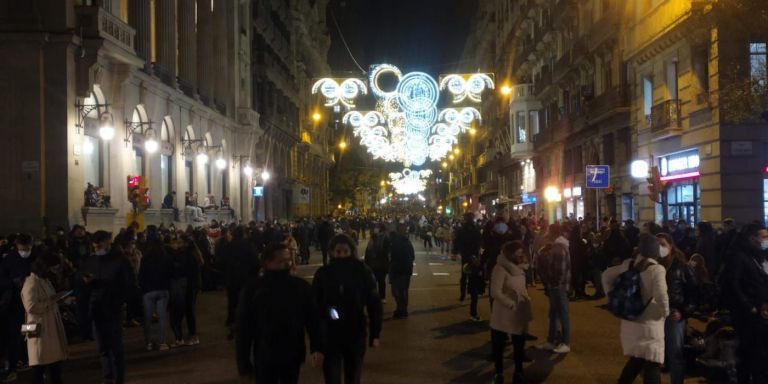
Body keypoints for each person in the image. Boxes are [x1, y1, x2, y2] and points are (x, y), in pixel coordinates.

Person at [236, 243, 323, 383]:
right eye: (281, 261)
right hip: (265, 354)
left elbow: (313, 319)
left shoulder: (300, 287)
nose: (287, 264)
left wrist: (317, 347)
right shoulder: (253, 290)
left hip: (293, 352)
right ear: (267, 262)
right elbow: (243, 328)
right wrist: (243, 362)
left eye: (288, 259)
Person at [312, 234, 382, 384]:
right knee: (332, 376)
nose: (342, 255)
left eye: (345, 251)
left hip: (355, 330)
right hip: (330, 333)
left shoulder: (362, 271)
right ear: (331, 252)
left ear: (352, 251)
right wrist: (316, 344)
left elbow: (374, 303)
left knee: (353, 375)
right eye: (338, 252)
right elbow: (315, 307)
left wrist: (375, 333)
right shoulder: (323, 273)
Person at [602, 234, 669, 384]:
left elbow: (606, 275)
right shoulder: (657, 269)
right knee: (652, 363)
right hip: (651, 324)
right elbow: (661, 295)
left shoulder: (628, 265)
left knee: (636, 360)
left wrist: (611, 296)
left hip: (630, 320)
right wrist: (666, 313)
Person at [77, 230, 135, 384]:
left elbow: (129, 284)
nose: (97, 249)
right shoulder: (91, 260)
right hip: (97, 309)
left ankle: (119, 379)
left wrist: (119, 300)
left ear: (108, 242)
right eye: (94, 247)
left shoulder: (121, 260)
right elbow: (80, 281)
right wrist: (85, 282)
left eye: (99, 246)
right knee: (102, 347)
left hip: (114, 309)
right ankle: (108, 378)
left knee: (116, 347)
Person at [720, 223, 768, 383]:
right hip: (748, 315)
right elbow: (734, 285)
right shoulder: (739, 256)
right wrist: (750, 307)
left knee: (760, 353)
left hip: (762, 312)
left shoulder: (760, 256)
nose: (766, 240)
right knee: (750, 353)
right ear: (752, 238)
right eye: (764, 237)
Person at [21, 252, 69, 384]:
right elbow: (31, 307)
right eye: (53, 267)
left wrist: (58, 299)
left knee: (54, 366)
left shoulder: (44, 280)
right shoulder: (31, 283)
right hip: (40, 329)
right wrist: (53, 300)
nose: (54, 270)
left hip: (48, 328)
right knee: (40, 367)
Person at [490, 241, 533, 384]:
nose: (521, 254)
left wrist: (526, 300)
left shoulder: (520, 268)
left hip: (518, 313)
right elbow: (495, 292)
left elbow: (522, 288)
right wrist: (510, 304)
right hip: (503, 313)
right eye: (518, 251)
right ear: (510, 253)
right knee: (498, 346)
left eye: (522, 251)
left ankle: (518, 372)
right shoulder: (500, 268)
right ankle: (498, 373)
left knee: (519, 345)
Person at [657, 233, 697, 384]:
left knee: (675, 354)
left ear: (670, 245)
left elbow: (693, 293)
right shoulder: (654, 265)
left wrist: (684, 312)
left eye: (662, 244)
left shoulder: (681, 266)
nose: (660, 248)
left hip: (675, 313)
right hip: (656, 313)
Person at [0, 233, 38, 379]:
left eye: (27, 248)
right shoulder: (9, 259)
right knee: (15, 335)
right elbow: (2, 279)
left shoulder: (36, 258)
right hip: (15, 305)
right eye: (22, 248)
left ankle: (32, 361)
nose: (25, 251)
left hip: (32, 306)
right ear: (17, 247)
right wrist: (14, 283)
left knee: (31, 332)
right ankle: (15, 363)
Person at [536, 223, 572, 354]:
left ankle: (566, 342)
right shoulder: (557, 247)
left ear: (552, 233)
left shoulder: (559, 248)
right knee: (554, 314)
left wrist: (554, 283)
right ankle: (551, 340)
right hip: (556, 286)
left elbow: (560, 270)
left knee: (562, 314)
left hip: (558, 287)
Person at [138, 236, 173, 351]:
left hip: (148, 291)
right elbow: (170, 273)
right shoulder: (166, 257)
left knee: (147, 318)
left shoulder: (145, 258)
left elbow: (141, 275)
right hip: (163, 289)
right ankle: (162, 343)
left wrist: (142, 288)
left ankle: (148, 343)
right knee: (162, 317)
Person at [168, 235, 203, 347]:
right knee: (189, 310)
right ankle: (191, 335)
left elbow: (182, 269)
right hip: (193, 285)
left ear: (185, 243)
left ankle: (192, 336)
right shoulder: (194, 252)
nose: (177, 244)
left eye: (179, 242)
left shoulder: (187, 254)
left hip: (189, 285)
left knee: (188, 310)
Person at [452, 213, 482, 302]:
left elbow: (456, 242)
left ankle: (463, 294)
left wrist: (455, 252)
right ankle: (473, 294)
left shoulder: (461, 230)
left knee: (464, 275)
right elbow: (480, 242)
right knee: (473, 275)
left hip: (465, 255)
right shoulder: (476, 229)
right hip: (474, 256)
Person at [388, 223, 414, 318]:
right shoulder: (407, 241)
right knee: (403, 291)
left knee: (397, 291)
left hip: (398, 270)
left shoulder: (396, 241)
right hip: (406, 270)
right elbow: (412, 256)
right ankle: (402, 309)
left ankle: (401, 309)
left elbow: (392, 256)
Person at [364, 224, 390, 303]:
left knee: (375, 281)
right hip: (380, 263)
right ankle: (382, 297)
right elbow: (387, 252)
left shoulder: (374, 239)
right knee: (380, 281)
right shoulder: (384, 238)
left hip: (375, 263)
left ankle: (376, 297)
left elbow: (367, 251)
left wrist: (366, 263)